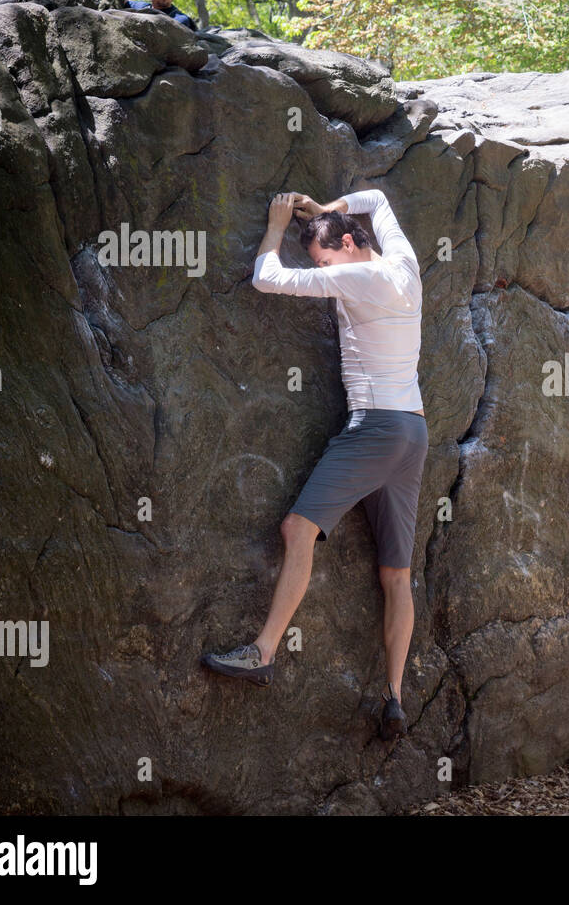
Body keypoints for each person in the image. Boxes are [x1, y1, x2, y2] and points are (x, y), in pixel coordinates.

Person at [202, 189, 427, 741]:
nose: (323, 273)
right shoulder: (403, 262)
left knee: (297, 527)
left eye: (325, 261)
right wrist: (325, 207)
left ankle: (262, 652)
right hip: (414, 432)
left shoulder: (357, 277)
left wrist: (279, 223)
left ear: (349, 244)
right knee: (396, 573)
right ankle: (394, 698)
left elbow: (266, 278)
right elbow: (376, 198)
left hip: (375, 427)